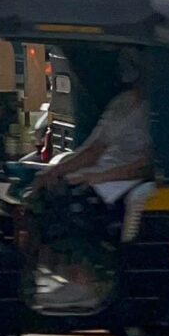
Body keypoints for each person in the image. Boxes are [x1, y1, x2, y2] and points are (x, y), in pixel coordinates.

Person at [31, 47, 152, 311]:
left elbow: (146, 164)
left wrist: (99, 177)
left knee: (78, 204)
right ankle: (58, 274)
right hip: (100, 174)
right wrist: (54, 172)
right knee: (48, 196)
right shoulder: (122, 103)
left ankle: (86, 282)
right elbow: (94, 148)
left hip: (123, 180)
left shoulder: (157, 111)